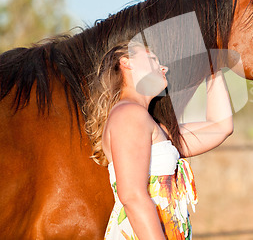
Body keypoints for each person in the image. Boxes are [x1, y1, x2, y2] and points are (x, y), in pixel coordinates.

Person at [83, 40, 233, 240]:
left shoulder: (149, 124)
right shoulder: (129, 114)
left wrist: (213, 67)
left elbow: (220, 127)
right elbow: (132, 196)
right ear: (127, 63)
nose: (164, 67)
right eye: (153, 59)